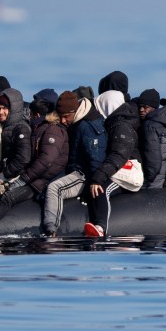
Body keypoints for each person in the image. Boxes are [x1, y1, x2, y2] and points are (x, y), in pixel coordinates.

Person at [0, 91, 76, 236]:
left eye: (32, 115)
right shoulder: (40, 129)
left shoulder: (51, 130)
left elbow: (45, 160)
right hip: (35, 178)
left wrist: (21, 179)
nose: (30, 118)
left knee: (9, 197)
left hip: (40, 181)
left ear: (37, 115)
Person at [40, 91, 105, 235]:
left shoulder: (87, 126)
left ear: (74, 111)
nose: (63, 121)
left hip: (84, 175)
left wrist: (94, 182)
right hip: (76, 170)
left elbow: (96, 159)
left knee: (54, 188)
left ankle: (50, 230)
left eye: (65, 117)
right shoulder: (79, 122)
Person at [83, 90, 141, 237]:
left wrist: (98, 177)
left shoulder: (121, 126)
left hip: (127, 172)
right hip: (118, 169)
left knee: (102, 188)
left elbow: (119, 154)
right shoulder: (114, 123)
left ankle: (101, 228)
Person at [140, 94, 166, 189]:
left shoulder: (153, 123)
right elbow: (153, 159)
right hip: (160, 181)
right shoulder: (154, 124)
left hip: (159, 181)